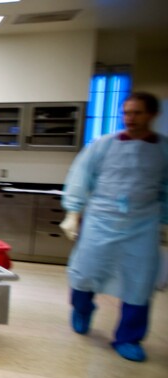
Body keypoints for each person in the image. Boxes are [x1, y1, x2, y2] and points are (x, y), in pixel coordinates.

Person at [59, 91, 168, 362]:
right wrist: (73, 212)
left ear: (153, 114)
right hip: (100, 219)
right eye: (127, 113)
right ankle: (82, 309)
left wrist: (164, 220)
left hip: (142, 224)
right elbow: (80, 177)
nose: (130, 118)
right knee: (86, 271)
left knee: (140, 281)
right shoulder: (104, 145)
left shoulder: (164, 149)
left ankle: (129, 338)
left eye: (137, 113)